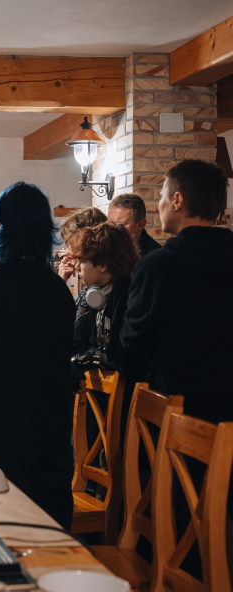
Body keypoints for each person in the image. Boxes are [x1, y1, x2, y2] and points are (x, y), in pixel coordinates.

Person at [0, 182, 76, 530]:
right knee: (51, 525)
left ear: (3, 227)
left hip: (1, 423)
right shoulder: (58, 289)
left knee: (1, 523)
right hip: (51, 425)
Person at [118, 159, 233, 425]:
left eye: (162, 195)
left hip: (174, 416)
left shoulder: (156, 266)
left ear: (177, 200)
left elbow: (134, 346)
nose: (159, 204)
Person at [68, 222, 139, 378]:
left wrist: (83, 361)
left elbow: (117, 354)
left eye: (82, 261)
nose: (77, 267)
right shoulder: (101, 292)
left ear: (102, 264)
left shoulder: (124, 292)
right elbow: (95, 344)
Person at [56, 207, 108, 356]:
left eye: (69, 242)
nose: (66, 251)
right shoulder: (91, 284)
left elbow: (69, 337)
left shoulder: (99, 285)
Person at [108, 194, 162, 258]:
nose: (112, 229)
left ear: (140, 225)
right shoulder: (106, 247)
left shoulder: (156, 257)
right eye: (110, 223)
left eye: (119, 225)